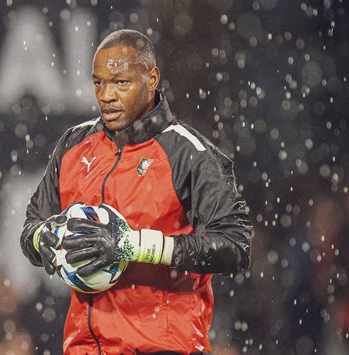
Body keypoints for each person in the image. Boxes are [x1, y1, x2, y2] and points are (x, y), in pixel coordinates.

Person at [20, 29, 252, 354]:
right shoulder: (72, 145)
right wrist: (42, 238)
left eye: (121, 83)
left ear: (152, 78)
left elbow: (235, 246)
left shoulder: (190, 154)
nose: (106, 95)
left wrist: (136, 246)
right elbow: (32, 226)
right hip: (82, 348)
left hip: (163, 347)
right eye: (98, 82)